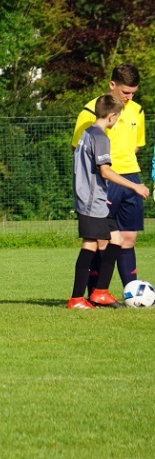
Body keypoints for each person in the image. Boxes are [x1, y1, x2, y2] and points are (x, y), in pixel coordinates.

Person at [69, 94, 150, 309]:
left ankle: (100, 292)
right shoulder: (101, 137)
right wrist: (135, 186)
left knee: (116, 239)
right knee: (90, 244)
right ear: (112, 116)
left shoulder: (87, 132)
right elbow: (105, 171)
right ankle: (76, 298)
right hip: (91, 201)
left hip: (95, 198)